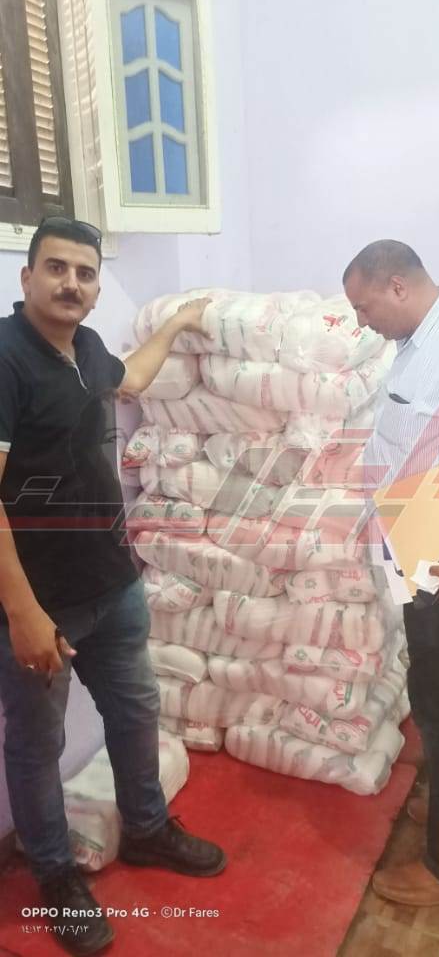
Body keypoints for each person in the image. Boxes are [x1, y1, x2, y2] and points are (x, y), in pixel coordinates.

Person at [0, 216, 226, 956]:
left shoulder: (87, 349)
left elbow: (130, 377)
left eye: (85, 273)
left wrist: (179, 324)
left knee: (135, 710)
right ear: (27, 276)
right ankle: (56, 875)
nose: (71, 283)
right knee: (38, 745)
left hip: (113, 582)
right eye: (56, 268)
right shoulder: (6, 358)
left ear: (96, 288)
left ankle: (149, 828)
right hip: (42, 603)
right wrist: (23, 612)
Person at [343, 239, 439, 906]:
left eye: (364, 307)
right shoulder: (416, 343)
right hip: (415, 533)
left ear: (397, 287)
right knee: (429, 690)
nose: (362, 322)